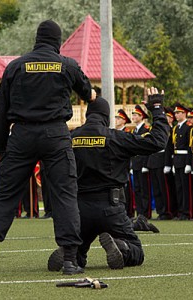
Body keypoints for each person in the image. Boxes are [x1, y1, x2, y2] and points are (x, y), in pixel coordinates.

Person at [0, 19, 95, 277]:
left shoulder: (15, 66)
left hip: (22, 135)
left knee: (5, 194)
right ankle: (71, 260)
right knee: (64, 194)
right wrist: (94, 97)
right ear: (58, 41)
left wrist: (0, 148)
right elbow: (87, 92)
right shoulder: (67, 65)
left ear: (37, 39)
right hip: (55, 134)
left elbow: (1, 113)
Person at [47, 88, 169, 271]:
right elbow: (158, 141)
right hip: (111, 207)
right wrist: (157, 109)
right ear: (106, 116)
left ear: (88, 115)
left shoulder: (71, 137)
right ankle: (123, 247)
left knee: (78, 250)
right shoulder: (115, 138)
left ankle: (70, 253)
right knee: (137, 251)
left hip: (79, 209)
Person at [172, 103, 193, 220]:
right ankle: (181, 211)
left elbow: (190, 147)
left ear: (184, 113)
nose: (176, 115)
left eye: (178, 113)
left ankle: (187, 211)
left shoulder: (188, 127)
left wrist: (188, 163)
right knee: (179, 187)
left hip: (185, 159)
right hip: (177, 159)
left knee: (186, 188)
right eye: (175, 113)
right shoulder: (176, 128)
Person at [130, 105, 152, 218]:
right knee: (137, 189)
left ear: (141, 116)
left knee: (144, 189)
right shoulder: (135, 130)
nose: (133, 117)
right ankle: (139, 212)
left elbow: (147, 148)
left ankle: (145, 213)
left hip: (143, 162)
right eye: (133, 114)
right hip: (136, 163)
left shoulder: (146, 129)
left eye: (135, 115)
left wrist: (145, 164)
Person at [115, 109, 135, 218]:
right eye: (116, 118)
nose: (116, 120)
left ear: (124, 121)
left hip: (125, 164)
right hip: (117, 164)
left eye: (118, 118)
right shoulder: (115, 132)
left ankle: (129, 212)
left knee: (127, 190)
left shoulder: (127, 132)